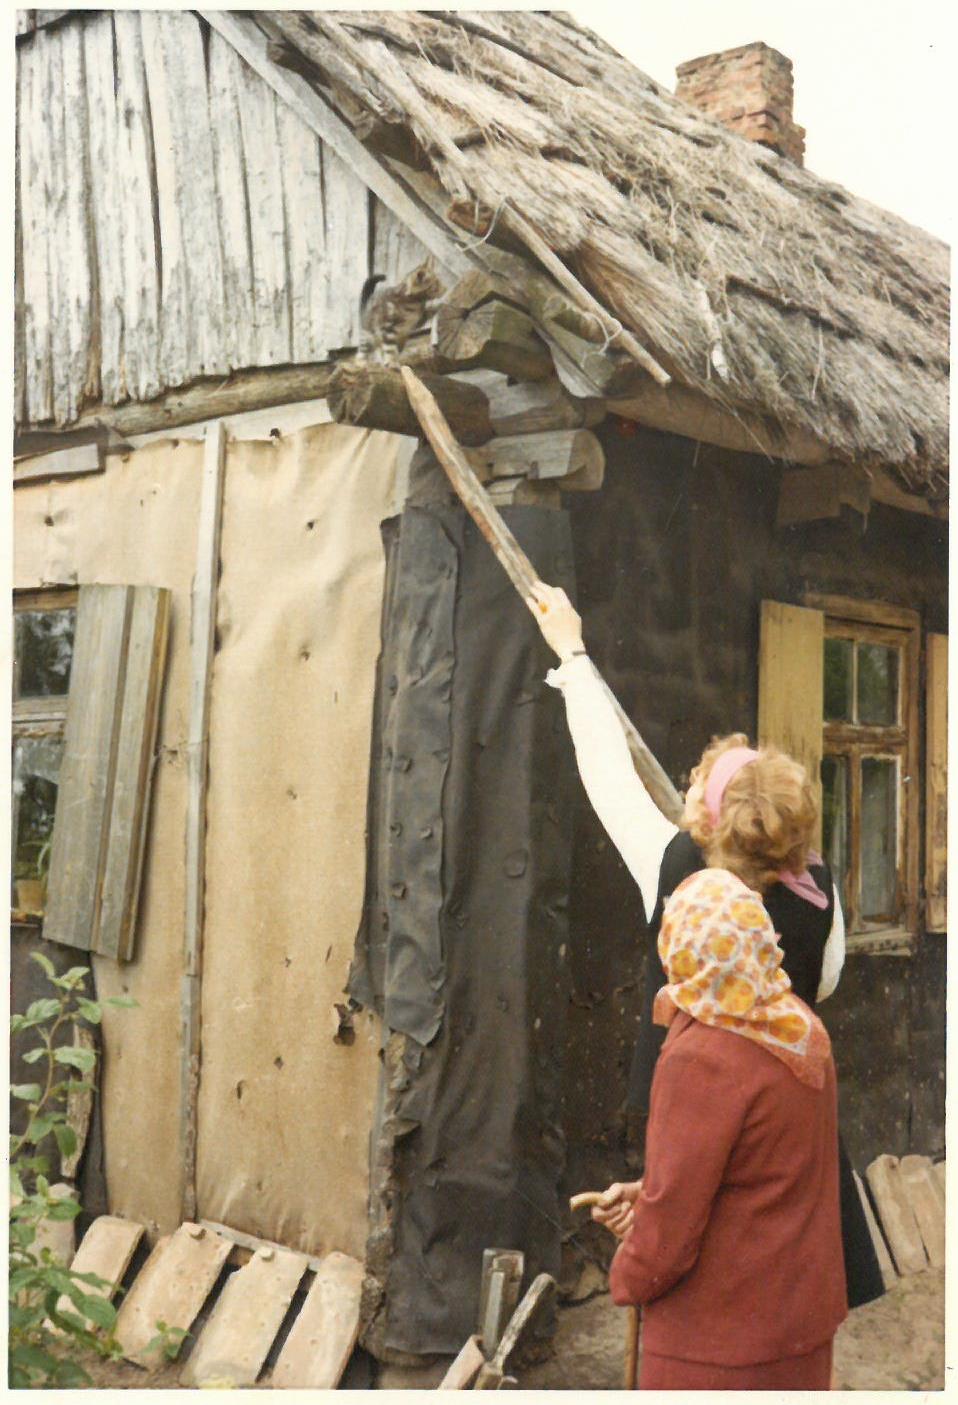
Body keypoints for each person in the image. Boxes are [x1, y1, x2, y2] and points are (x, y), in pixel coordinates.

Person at [529, 580, 883, 1313]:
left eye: (698, 782)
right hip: (790, 1133)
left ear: (714, 821)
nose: (689, 786)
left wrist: (572, 648)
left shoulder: (674, 863)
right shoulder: (821, 887)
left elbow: (606, 769)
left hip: (700, 1121)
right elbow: (821, 986)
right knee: (785, 1299)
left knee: (704, 1291)